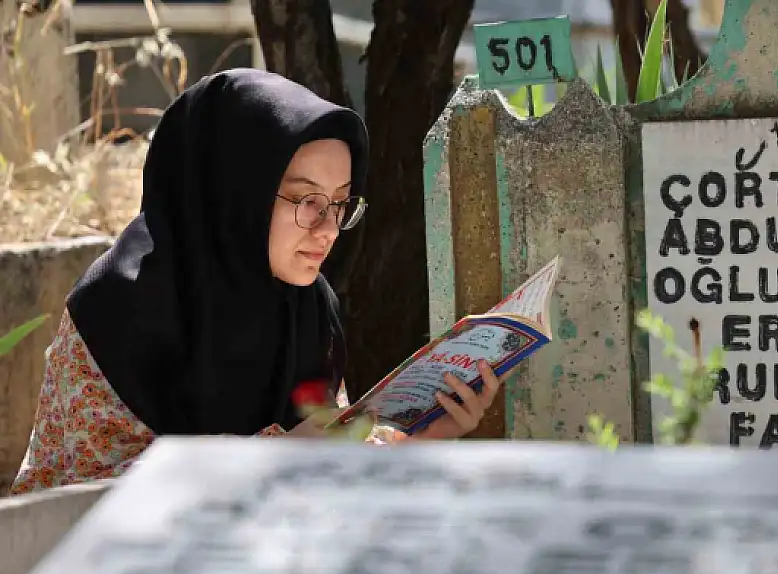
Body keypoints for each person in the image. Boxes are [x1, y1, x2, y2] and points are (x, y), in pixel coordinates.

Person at [9, 68, 500, 496]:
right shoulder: (116, 310)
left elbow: (334, 462)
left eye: (341, 204)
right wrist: (279, 454)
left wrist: (425, 435)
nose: (328, 229)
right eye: (307, 201)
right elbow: (79, 504)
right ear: (235, 193)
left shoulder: (309, 308)